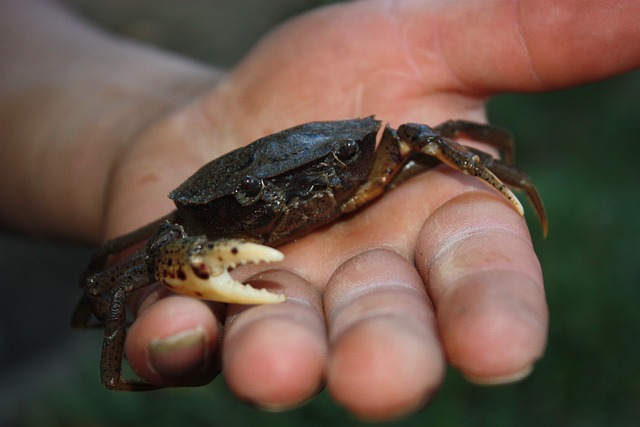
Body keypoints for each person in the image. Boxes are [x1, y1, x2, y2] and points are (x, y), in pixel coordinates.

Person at [1, 0, 638, 421]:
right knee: (115, 284)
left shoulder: (383, 153)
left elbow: (435, 137)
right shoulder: (194, 220)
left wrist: (500, 175)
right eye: (261, 196)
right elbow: (106, 275)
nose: (291, 199)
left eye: (326, 173)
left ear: (361, 149)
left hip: (337, 160)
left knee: (432, 134)